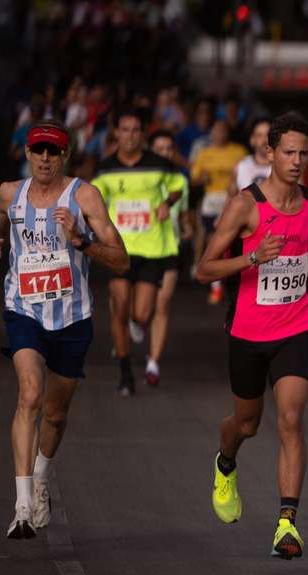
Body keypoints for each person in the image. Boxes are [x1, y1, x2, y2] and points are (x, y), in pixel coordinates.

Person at [196, 111, 308, 559]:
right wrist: (252, 257)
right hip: (247, 331)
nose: (297, 161)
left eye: (303, 153)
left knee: (292, 420)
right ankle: (225, 463)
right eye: (289, 152)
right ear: (270, 153)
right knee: (246, 424)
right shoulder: (245, 205)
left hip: (294, 326)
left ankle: (286, 525)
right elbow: (204, 268)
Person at [0, 119, 128, 538]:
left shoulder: (84, 196)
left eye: (53, 151)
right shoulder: (11, 193)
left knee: (56, 413)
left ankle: (41, 475)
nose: (45, 158)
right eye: (38, 150)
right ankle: (22, 505)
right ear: (27, 153)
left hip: (72, 316)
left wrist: (81, 240)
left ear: (65, 155)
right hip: (24, 309)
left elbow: (121, 259)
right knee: (29, 393)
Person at [92, 110, 186, 396]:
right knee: (119, 307)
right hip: (119, 250)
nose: (130, 136)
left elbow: (178, 187)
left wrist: (167, 204)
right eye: (125, 130)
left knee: (143, 314)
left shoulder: (160, 164)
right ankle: (124, 372)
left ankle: (137, 323)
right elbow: (94, 201)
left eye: (136, 131)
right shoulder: (106, 168)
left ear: (143, 134)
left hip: (151, 249)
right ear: (116, 133)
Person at [141, 130, 193, 386]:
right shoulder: (141, 180)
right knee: (142, 310)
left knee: (162, 306)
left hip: (169, 249)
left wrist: (187, 227)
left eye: (169, 148)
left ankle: (153, 362)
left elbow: (184, 216)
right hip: (140, 250)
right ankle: (137, 320)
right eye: (159, 148)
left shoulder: (179, 182)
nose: (165, 153)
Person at [191, 118, 247, 304]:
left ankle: (233, 280)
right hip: (212, 199)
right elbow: (194, 180)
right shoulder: (204, 153)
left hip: (234, 200)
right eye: (215, 130)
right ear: (211, 133)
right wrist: (203, 179)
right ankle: (215, 285)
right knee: (212, 239)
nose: (219, 134)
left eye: (222, 130)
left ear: (227, 133)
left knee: (233, 241)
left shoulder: (238, 152)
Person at [229, 117, 272, 196]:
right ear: (252, 140)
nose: (265, 140)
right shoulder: (240, 167)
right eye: (259, 135)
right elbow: (230, 201)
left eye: (268, 135)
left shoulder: (283, 167)